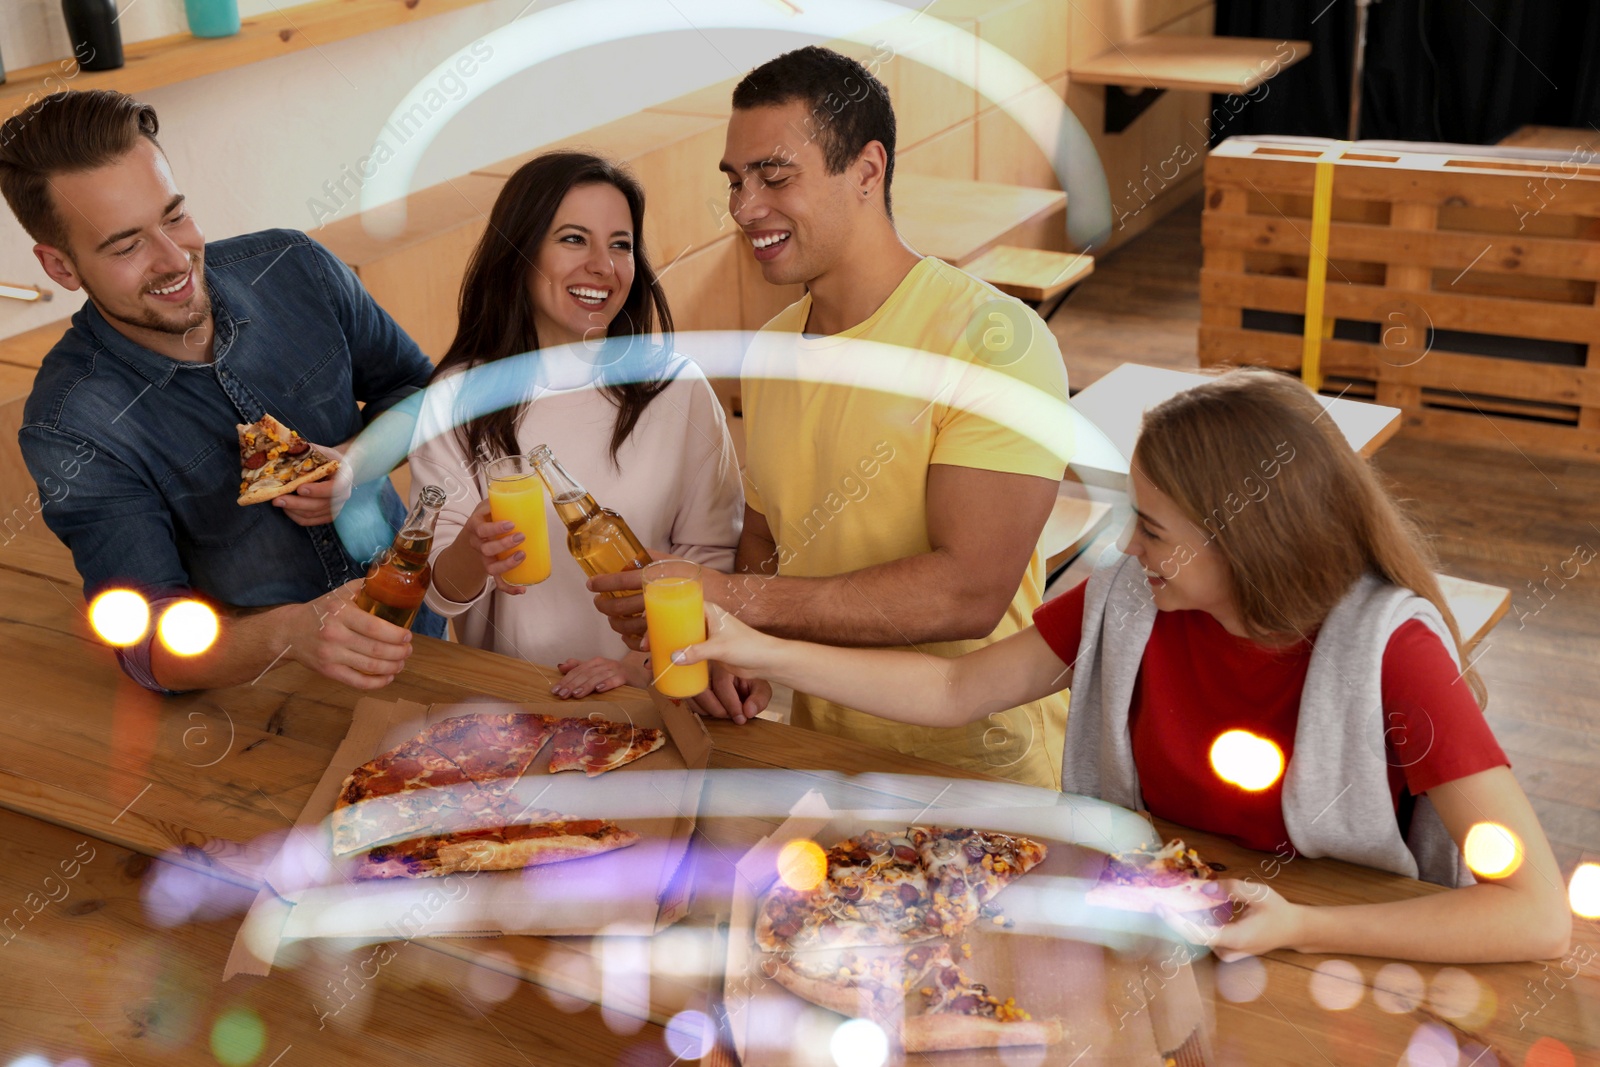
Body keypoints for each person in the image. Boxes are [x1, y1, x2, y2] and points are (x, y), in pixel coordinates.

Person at [678, 368, 1572, 963]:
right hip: (1162, 945)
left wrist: (1303, 925)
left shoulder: (1392, 651)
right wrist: (760, 648)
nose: (1126, 545)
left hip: (1341, 960)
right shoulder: (1132, 599)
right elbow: (955, 688)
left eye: (1152, 528)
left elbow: (1536, 914)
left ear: (1244, 538)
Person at [589, 46, 1073, 789]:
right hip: (827, 771)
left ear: (868, 171)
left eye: (775, 175)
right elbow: (766, 539)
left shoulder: (993, 343)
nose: (745, 207)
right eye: (736, 180)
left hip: (985, 779)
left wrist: (735, 601)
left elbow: (969, 591)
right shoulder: (771, 350)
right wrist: (735, 644)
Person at [1, 91, 437, 693]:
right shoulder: (70, 424)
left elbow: (418, 387)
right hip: (267, 697)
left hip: (426, 631)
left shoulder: (297, 265)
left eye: (175, 216)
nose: (175, 257)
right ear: (61, 268)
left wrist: (361, 459)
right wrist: (290, 633)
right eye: (127, 246)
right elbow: (148, 644)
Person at [405, 151, 751, 711]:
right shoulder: (458, 397)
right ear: (518, 252)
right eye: (573, 239)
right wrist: (473, 550)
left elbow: (713, 558)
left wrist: (635, 666)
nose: (603, 265)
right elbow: (441, 594)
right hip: (511, 705)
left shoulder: (675, 386)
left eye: (620, 244)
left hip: (657, 692)